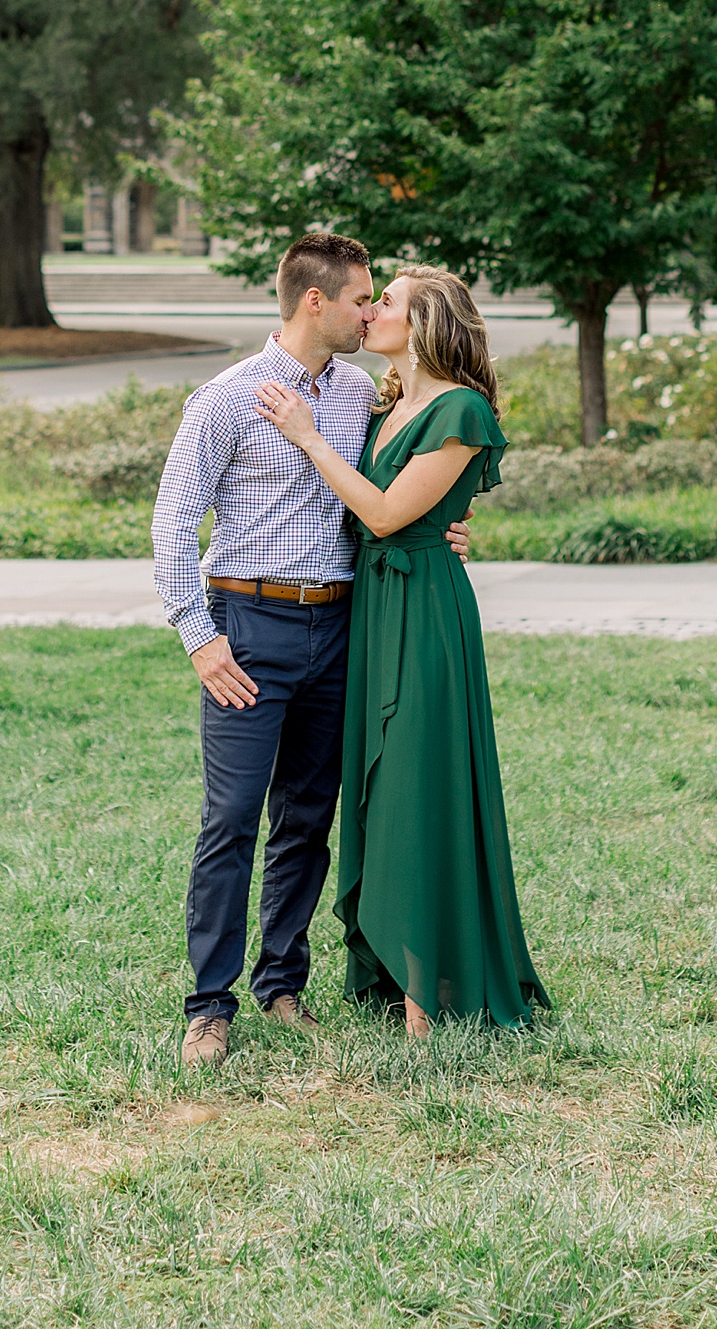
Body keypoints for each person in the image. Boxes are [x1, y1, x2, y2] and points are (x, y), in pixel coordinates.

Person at [152, 232, 474, 1068]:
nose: (370, 313)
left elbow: (394, 490)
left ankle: (282, 986)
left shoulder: (360, 394)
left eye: (377, 301)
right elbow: (171, 523)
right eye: (362, 299)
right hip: (247, 627)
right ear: (315, 301)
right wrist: (199, 638)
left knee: (306, 819)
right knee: (230, 820)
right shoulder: (225, 399)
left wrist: (448, 529)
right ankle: (209, 1008)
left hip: (339, 628)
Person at [257, 264, 548, 1035]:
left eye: (385, 302)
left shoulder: (460, 409)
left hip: (423, 614)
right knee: (380, 788)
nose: (371, 311)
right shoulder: (386, 405)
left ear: (424, 325)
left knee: (419, 784)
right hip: (375, 608)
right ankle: (396, 972)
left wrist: (308, 439)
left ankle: (429, 997)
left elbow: (386, 515)